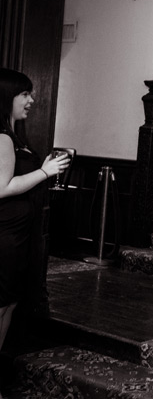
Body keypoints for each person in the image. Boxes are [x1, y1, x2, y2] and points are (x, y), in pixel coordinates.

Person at [0, 69, 69, 369]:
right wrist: (44, 172)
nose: (31, 100)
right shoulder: (2, 137)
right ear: (7, 97)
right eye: (25, 94)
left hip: (18, 234)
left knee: (9, 302)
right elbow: (2, 187)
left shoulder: (14, 135)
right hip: (4, 235)